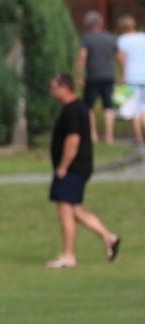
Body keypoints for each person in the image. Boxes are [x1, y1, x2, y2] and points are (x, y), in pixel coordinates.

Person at [45, 73, 121, 268]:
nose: (52, 92)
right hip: (77, 168)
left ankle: (68, 255)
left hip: (72, 168)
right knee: (75, 211)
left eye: (54, 88)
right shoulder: (76, 108)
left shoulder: (73, 110)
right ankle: (109, 238)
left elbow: (73, 141)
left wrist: (63, 167)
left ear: (64, 88)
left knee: (65, 210)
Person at [76, 10, 118, 146]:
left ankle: (92, 134)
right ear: (101, 23)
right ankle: (109, 136)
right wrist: (122, 73)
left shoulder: (87, 39)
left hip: (93, 76)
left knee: (89, 106)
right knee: (108, 106)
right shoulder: (110, 38)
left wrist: (79, 75)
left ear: (88, 25)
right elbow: (119, 56)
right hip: (109, 75)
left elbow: (82, 56)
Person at [116, 15, 145, 146]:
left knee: (134, 108)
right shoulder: (143, 37)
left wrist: (122, 75)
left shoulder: (123, 40)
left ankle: (138, 137)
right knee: (144, 107)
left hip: (131, 76)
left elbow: (121, 58)